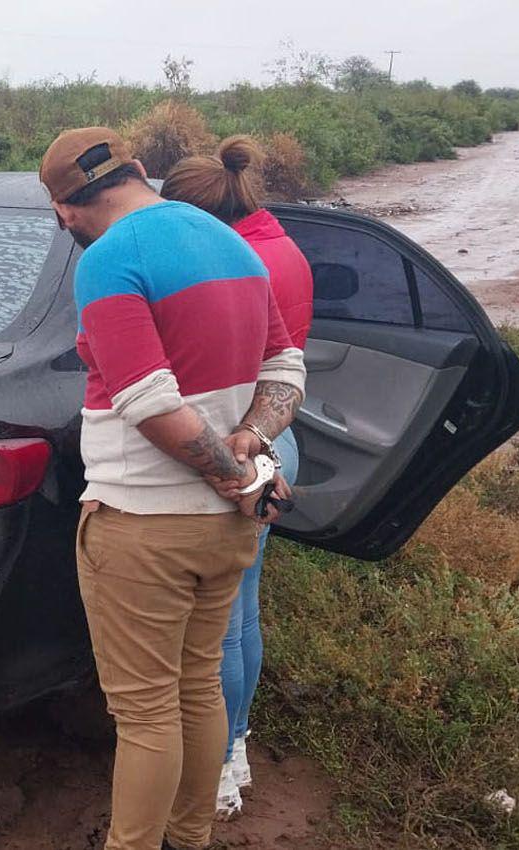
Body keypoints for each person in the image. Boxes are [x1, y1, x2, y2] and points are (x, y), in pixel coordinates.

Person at [38, 127, 306, 850]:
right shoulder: (230, 242)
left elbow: (149, 401)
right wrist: (250, 453)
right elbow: (285, 368)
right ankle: (190, 840)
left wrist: (227, 472)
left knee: (147, 714)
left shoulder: (111, 260)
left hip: (142, 525)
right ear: (139, 170)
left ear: (65, 209)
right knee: (195, 688)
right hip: (225, 531)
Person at [161, 136, 314, 819]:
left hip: (240, 447)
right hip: (279, 439)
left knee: (218, 623)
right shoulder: (281, 245)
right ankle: (237, 749)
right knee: (239, 614)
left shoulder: (233, 263)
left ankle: (219, 766)